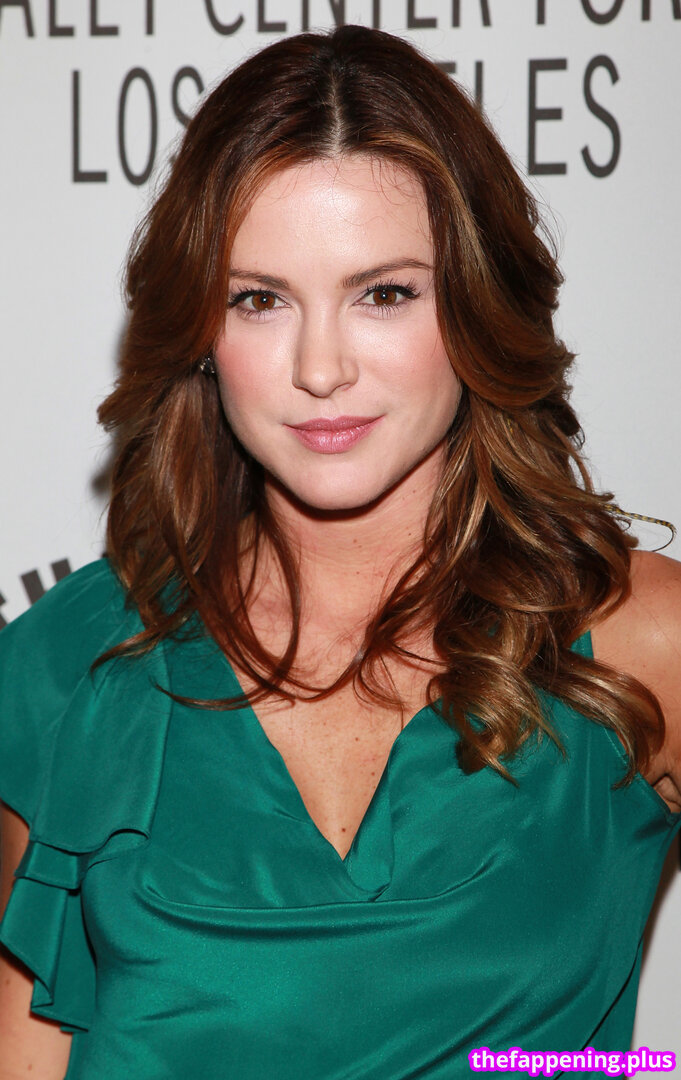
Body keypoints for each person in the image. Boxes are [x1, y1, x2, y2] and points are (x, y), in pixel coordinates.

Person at [1, 22, 680, 1080]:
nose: (320, 367)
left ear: (474, 304)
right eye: (259, 299)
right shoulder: (65, 668)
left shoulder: (642, 641)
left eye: (384, 293)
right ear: (201, 334)